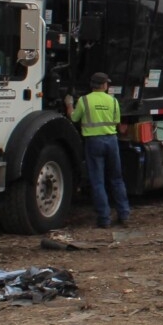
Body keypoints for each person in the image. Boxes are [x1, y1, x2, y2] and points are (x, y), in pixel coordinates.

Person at [66, 72, 131, 228]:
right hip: (112, 141)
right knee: (116, 179)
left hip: (93, 142)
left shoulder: (84, 100)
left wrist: (69, 104)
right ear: (104, 85)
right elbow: (117, 122)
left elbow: (74, 118)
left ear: (92, 85)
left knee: (98, 181)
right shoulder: (113, 101)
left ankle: (104, 218)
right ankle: (124, 214)